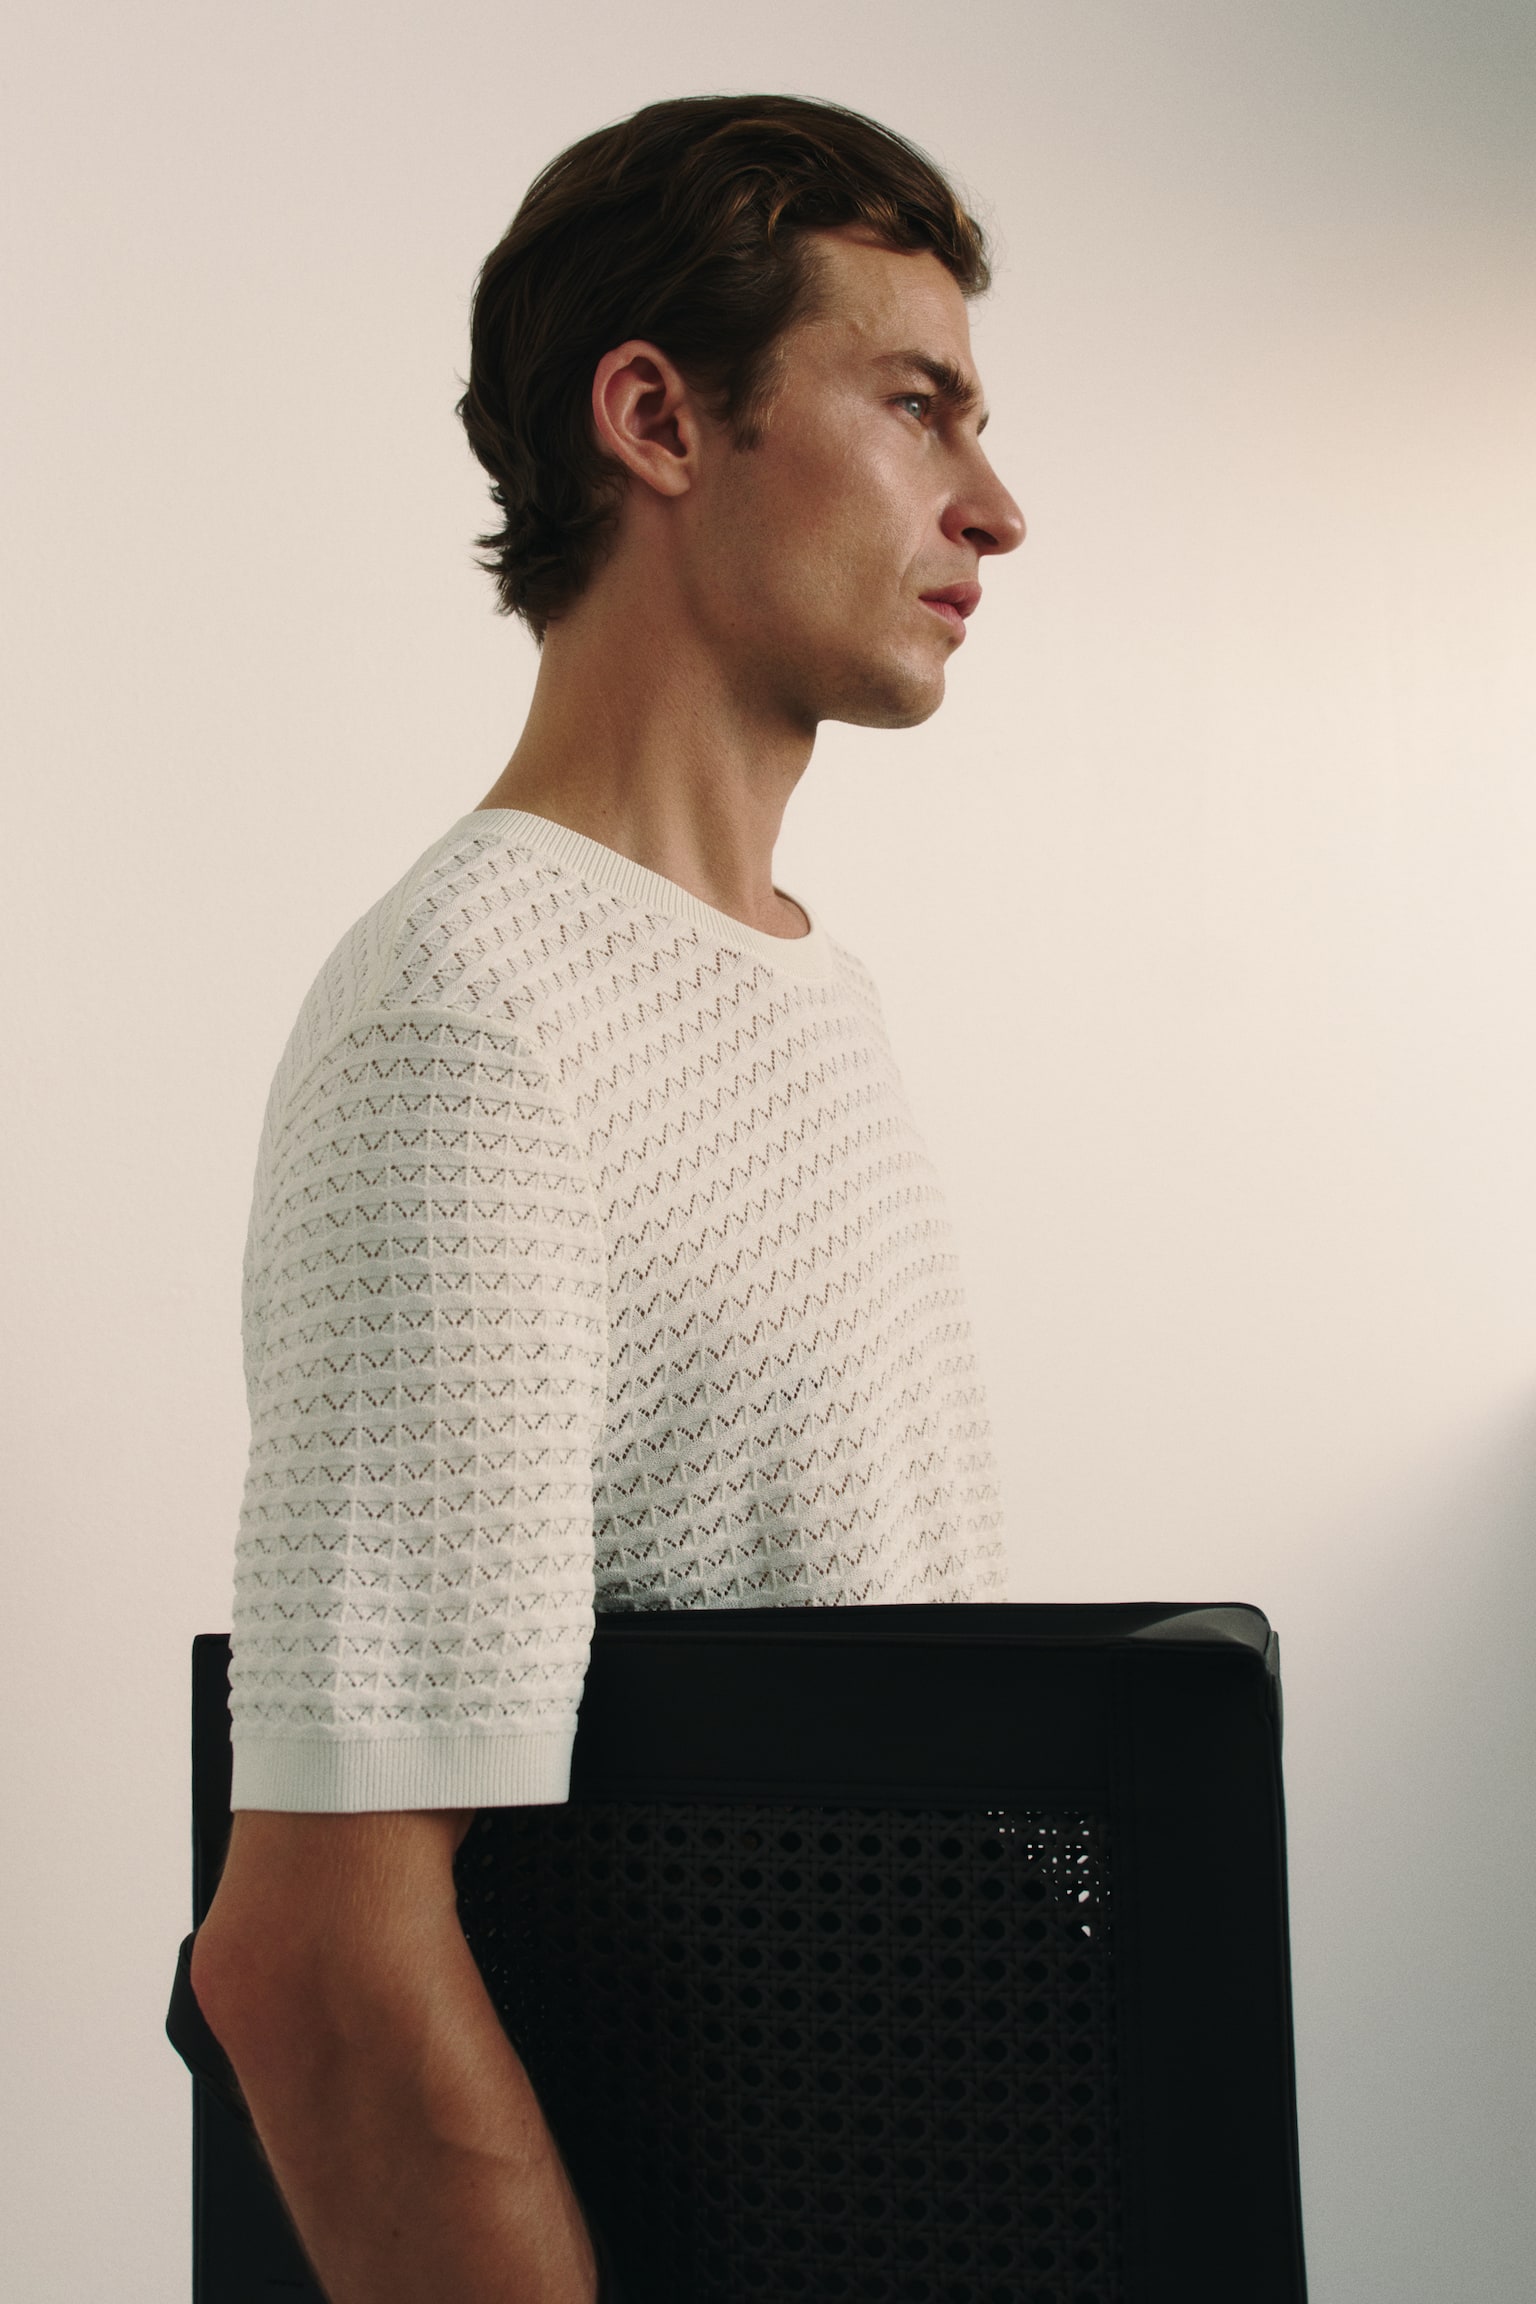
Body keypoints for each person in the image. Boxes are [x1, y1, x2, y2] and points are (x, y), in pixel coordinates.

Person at [189, 91, 1026, 2304]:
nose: (995, 504)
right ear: (658, 419)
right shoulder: (473, 1018)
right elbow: (317, 1957)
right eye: (917, 405)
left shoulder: (806, 990)